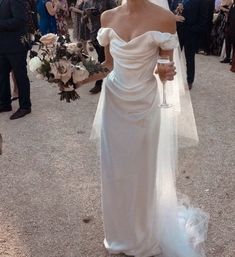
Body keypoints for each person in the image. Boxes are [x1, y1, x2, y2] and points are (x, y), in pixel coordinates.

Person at [75, 0, 208, 256]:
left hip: (145, 105)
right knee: (115, 172)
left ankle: (142, 236)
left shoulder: (163, 18)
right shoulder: (107, 16)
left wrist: (165, 72)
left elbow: (166, 68)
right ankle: (118, 235)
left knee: (141, 171)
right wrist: (76, 78)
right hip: (114, 104)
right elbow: (108, 65)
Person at [0, 0, 32, 120]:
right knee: (2, 76)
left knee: (20, 76)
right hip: (2, 46)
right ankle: (4, 104)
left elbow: (20, 20)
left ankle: (25, 106)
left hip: (15, 45)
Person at [170, 0, 208, 90]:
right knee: (174, 57)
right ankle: (173, 78)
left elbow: (204, 19)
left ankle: (189, 80)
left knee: (190, 58)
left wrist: (193, 29)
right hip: (177, 32)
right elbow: (170, 12)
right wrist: (176, 10)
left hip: (191, 34)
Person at [84, 0, 117, 94]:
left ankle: (99, 84)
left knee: (102, 59)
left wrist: (100, 14)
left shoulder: (108, 1)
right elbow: (83, 20)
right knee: (103, 58)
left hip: (107, 35)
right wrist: (88, 15)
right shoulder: (87, 3)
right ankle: (107, 79)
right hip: (94, 35)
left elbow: (117, 15)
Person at [11, 0, 38, 102]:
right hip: (13, 38)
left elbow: (29, 21)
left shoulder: (22, 3)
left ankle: (16, 90)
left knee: (17, 66)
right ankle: (15, 89)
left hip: (21, 37)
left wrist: (31, 36)